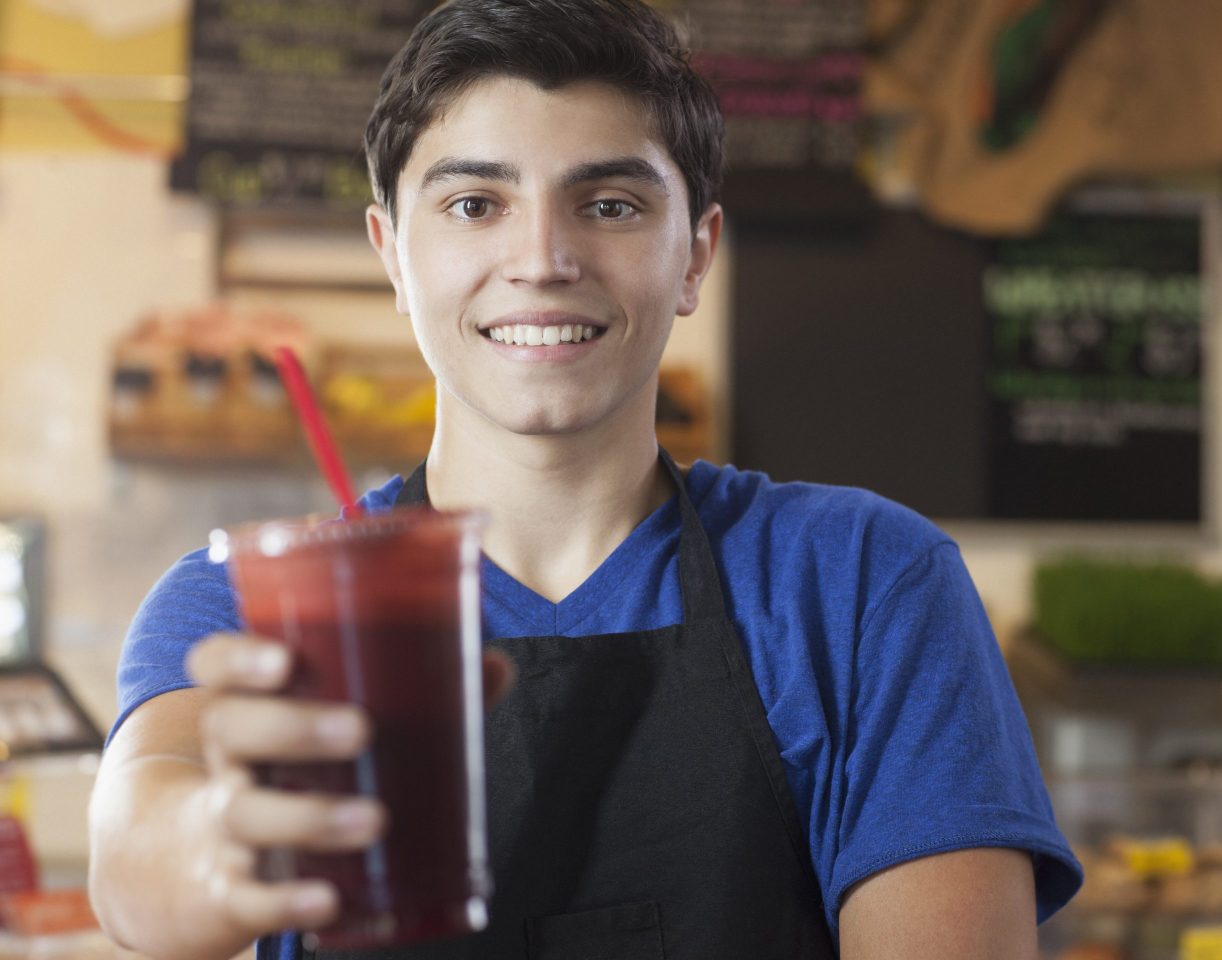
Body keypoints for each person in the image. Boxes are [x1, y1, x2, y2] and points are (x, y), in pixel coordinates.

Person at [88, 1, 1082, 957]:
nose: (543, 258)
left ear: (695, 254)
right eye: (476, 204)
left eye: (609, 204)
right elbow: (137, 864)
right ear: (394, 256)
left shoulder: (865, 584)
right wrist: (221, 839)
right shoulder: (251, 607)